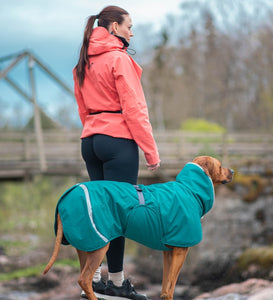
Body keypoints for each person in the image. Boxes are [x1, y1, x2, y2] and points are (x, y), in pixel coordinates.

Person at [73, 5, 160, 300]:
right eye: (129, 26)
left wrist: (94, 130)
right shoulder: (118, 60)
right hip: (118, 140)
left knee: (99, 211)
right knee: (120, 212)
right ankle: (118, 282)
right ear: (113, 28)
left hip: (91, 139)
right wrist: (150, 151)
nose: (132, 32)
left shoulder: (83, 60)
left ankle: (94, 278)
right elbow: (135, 109)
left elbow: (82, 107)